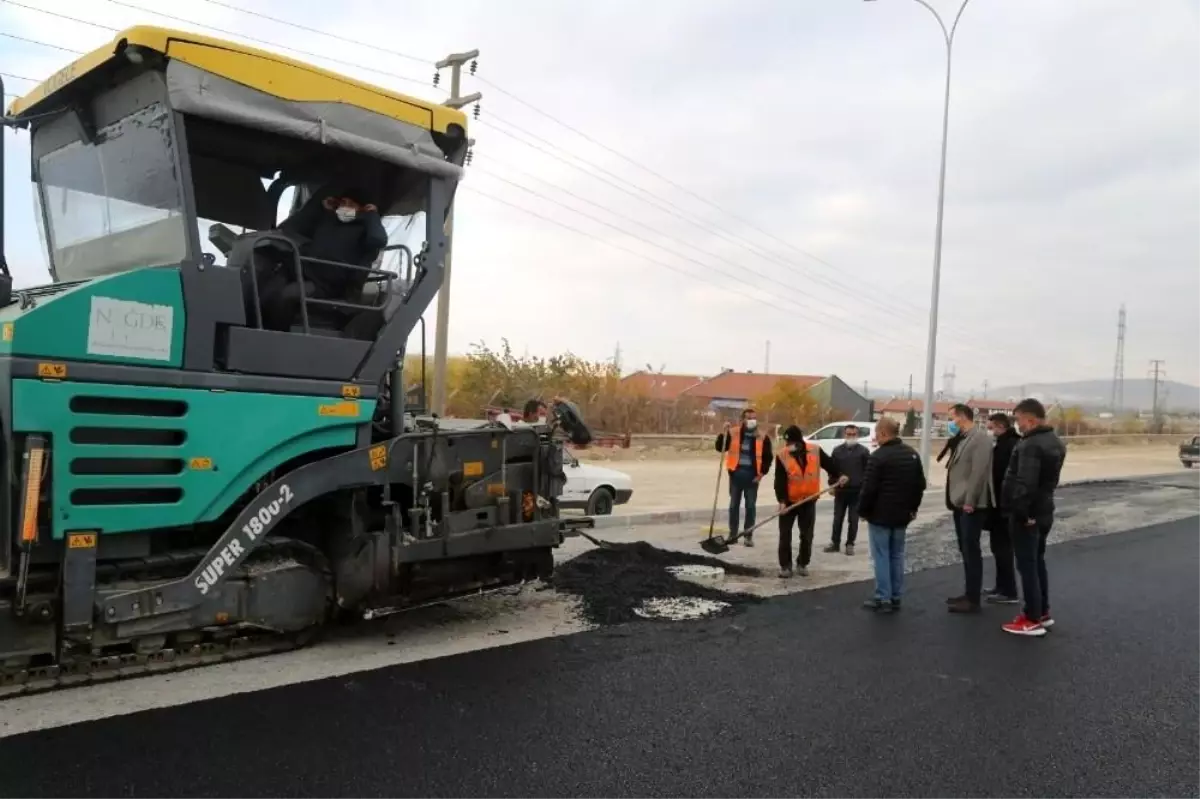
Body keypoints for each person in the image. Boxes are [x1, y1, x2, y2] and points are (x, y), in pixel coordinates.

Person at [1001, 399, 1067, 637]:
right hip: (1044, 511)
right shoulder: (1055, 442)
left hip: (1028, 514)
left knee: (1027, 565)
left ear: (1030, 419)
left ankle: (1031, 618)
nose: (1017, 424)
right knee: (1037, 562)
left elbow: (1026, 484)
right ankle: (1042, 611)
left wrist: (1023, 513)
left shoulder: (1030, 445)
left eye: (1018, 419)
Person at [858, 417, 926, 613]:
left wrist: (863, 511)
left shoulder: (878, 457)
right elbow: (919, 485)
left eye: (877, 433)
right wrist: (913, 508)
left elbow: (868, 489)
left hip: (880, 515)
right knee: (896, 555)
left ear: (883, 433)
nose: (875, 437)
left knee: (881, 556)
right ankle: (896, 596)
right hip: (902, 514)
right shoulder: (912, 454)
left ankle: (883, 597)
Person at [944, 403, 995, 614]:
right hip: (959, 501)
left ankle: (973, 599)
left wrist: (970, 501)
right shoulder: (965, 438)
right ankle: (968, 593)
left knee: (971, 549)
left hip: (971, 503)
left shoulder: (980, 438)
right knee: (965, 549)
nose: (950, 423)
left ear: (963, 417)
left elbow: (978, 472)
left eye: (952, 418)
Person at [774, 426, 844, 577]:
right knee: (785, 535)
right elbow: (779, 481)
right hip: (789, 502)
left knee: (806, 535)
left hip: (808, 501)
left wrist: (839, 475)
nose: (788, 446)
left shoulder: (815, 451)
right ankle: (785, 566)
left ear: (799, 441)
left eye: (791, 442)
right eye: (787, 442)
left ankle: (802, 563)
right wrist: (781, 501)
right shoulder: (782, 455)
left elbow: (830, 465)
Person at [715, 409, 772, 546]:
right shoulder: (733, 432)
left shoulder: (762, 437)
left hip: (752, 477)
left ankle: (748, 535)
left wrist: (762, 474)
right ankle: (733, 534)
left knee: (750, 506)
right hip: (736, 476)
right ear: (742, 420)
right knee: (734, 505)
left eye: (754, 418)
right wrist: (723, 433)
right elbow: (720, 448)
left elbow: (768, 458)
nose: (752, 420)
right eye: (749, 418)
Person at [983, 413, 1020, 604]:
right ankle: (1000, 585)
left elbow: (1004, 477)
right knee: (997, 548)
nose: (990, 431)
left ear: (1000, 426)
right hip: (998, 505)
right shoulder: (1003, 444)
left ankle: (1009, 591)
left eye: (991, 428)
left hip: (1003, 507)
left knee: (1004, 549)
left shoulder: (1011, 445)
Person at [825, 424, 870, 556]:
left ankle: (850, 544)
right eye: (848, 434)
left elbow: (868, 472)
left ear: (857, 435)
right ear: (844, 435)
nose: (851, 436)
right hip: (840, 491)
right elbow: (832, 471)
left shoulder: (863, 452)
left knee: (853, 519)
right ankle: (835, 543)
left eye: (853, 434)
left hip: (856, 492)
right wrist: (832, 484)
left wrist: (865, 490)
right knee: (837, 518)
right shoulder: (837, 451)